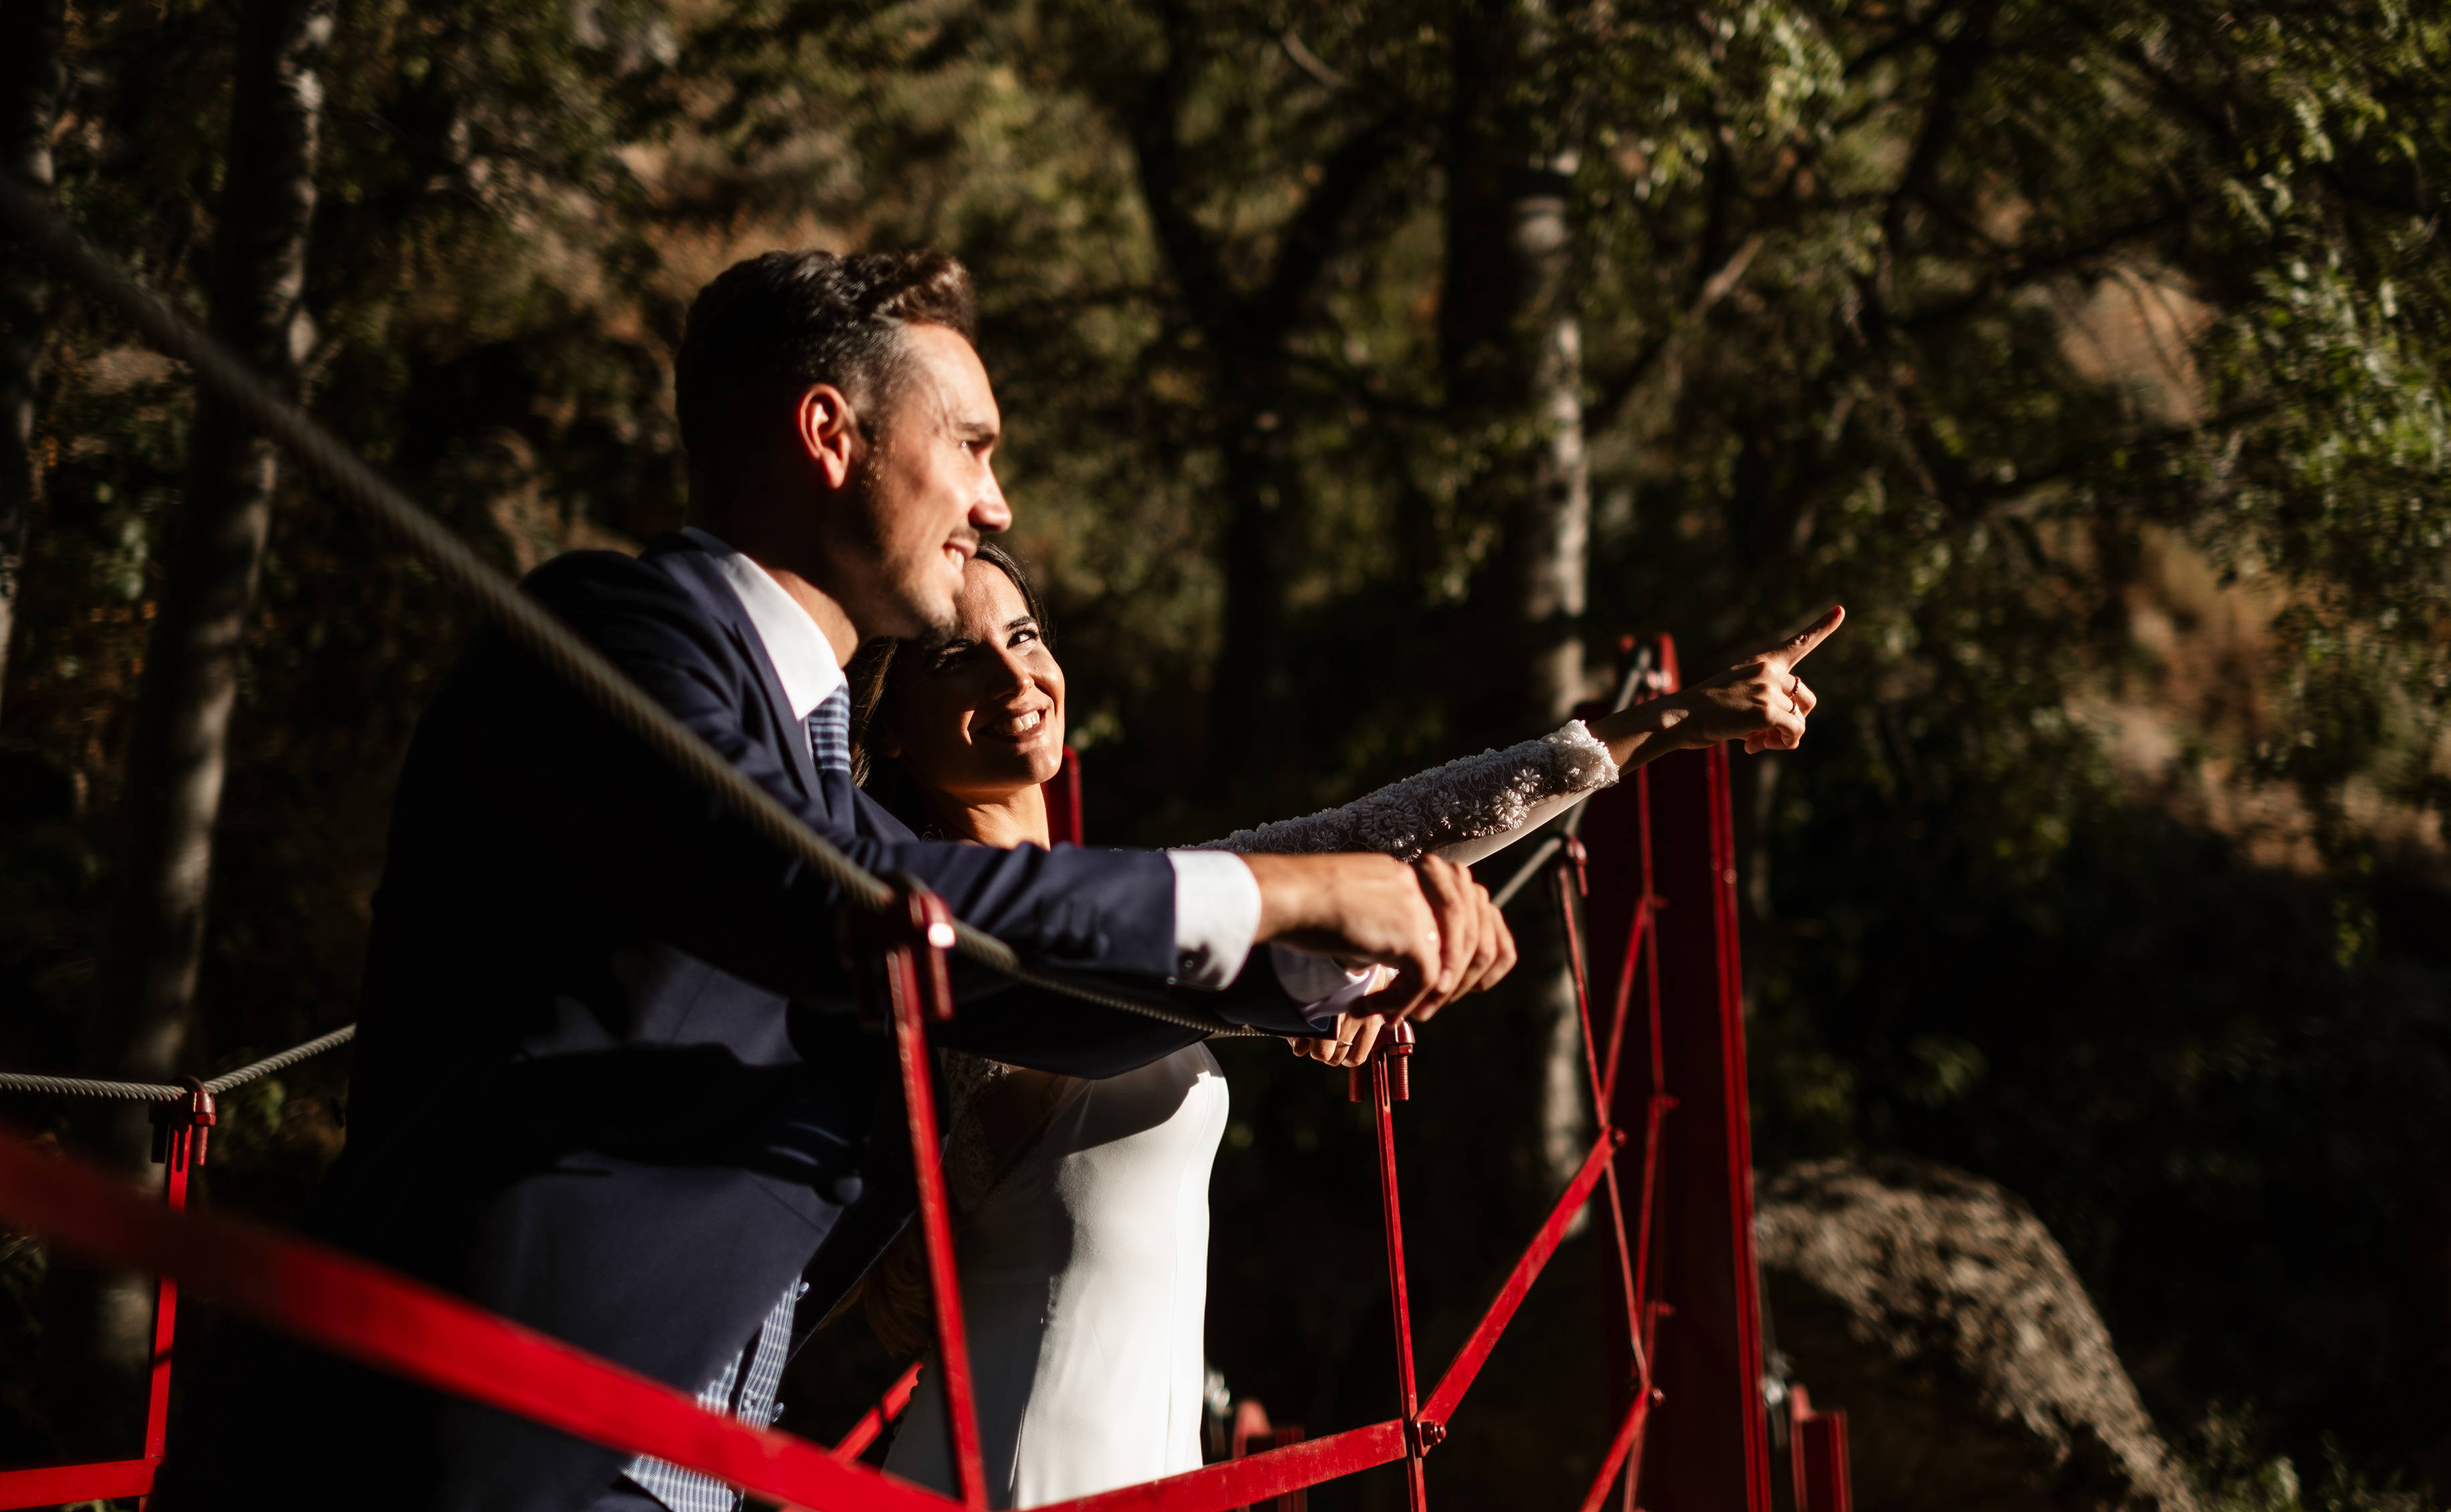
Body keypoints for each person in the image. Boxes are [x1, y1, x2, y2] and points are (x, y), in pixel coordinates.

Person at [154, 249, 1512, 1512]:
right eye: (970, 444)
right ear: (829, 434)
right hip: (456, 1449)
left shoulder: (810, 779)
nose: (996, 503)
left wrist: (1319, 967)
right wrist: (1279, 893)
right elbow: (853, 903)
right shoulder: (618, 642)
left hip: (677, 1468)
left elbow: (1021, 992)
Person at [839, 545, 1840, 1504]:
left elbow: (1373, 837)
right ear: (889, 728)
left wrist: (1665, 723)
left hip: (1145, 1463)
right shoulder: (940, 939)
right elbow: (1102, 1006)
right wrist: (1304, 975)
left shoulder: (1123, 911)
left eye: (1024, 636)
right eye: (957, 658)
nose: (1015, 675)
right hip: (1018, 1469)